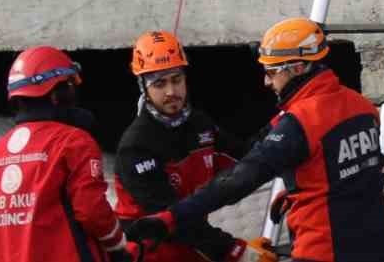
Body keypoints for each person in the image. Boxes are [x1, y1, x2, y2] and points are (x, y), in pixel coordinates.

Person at [125, 18, 384, 262]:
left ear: (297, 67)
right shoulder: (362, 106)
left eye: (271, 72)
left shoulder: (300, 121)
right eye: (160, 84)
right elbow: (355, 172)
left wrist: (173, 219)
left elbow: (240, 177)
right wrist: (296, 189)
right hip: (378, 246)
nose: (266, 82)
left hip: (323, 251)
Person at [0, 46, 144, 261]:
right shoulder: (74, 142)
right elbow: (91, 211)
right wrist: (120, 245)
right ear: (56, 94)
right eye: (71, 86)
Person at [114, 31, 272, 262]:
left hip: (193, 247)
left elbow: (246, 156)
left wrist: (281, 127)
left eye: (176, 79)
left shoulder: (200, 124)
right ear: (144, 88)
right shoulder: (136, 146)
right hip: (152, 253)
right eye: (159, 83)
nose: (171, 92)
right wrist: (235, 251)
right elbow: (171, 218)